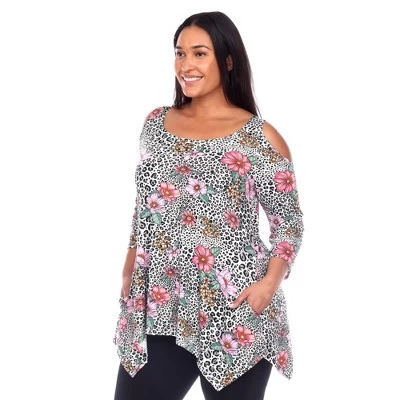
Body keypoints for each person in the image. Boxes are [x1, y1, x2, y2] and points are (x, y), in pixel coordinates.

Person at [113, 11, 304, 400]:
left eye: (199, 53)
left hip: (234, 309)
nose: (186, 65)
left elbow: (289, 223)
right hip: (161, 304)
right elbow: (145, 204)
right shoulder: (155, 124)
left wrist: (268, 285)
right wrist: (129, 265)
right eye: (180, 53)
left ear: (228, 61)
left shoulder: (260, 138)